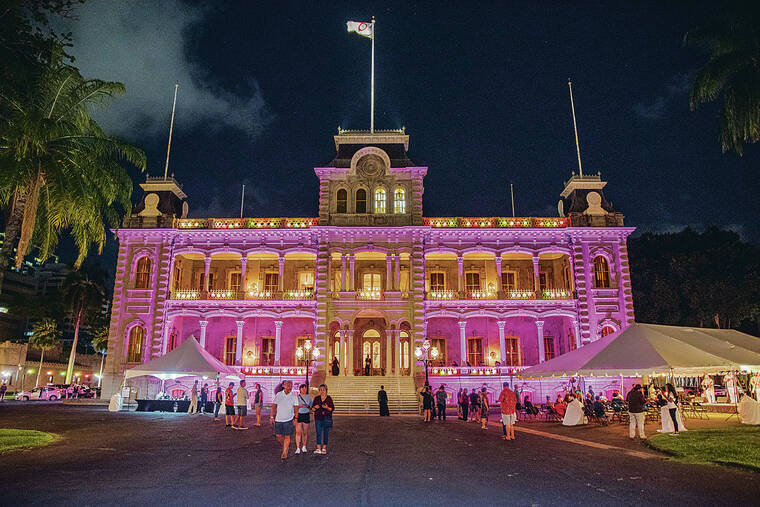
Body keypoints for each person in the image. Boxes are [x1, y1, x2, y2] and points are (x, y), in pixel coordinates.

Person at [271, 380, 299, 460]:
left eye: (291, 385)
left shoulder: (294, 396)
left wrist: (296, 418)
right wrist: (271, 416)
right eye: (288, 384)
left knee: (287, 436)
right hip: (278, 419)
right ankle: (285, 445)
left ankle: (285, 452)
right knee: (278, 436)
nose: (290, 386)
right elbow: (274, 406)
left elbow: (296, 408)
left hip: (289, 419)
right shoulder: (279, 395)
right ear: (283, 385)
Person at [312, 384, 334, 455]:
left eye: (323, 390)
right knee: (318, 432)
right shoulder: (316, 398)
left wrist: (327, 407)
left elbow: (332, 409)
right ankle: (318, 448)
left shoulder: (329, 398)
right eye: (320, 390)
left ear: (326, 391)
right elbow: (312, 409)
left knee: (326, 433)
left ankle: (324, 448)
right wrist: (315, 407)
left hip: (326, 418)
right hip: (318, 418)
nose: (322, 391)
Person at [295, 384, 313, 454]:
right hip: (299, 415)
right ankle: (298, 448)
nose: (304, 390)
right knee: (298, 432)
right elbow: (295, 406)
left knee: (305, 432)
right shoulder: (297, 397)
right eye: (302, 388)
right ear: (300, 389)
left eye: (305, 388)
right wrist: (301, 406)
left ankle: (304, 446)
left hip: (306, 414)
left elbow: (311, 406)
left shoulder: (309, 397)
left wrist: (308, 406)